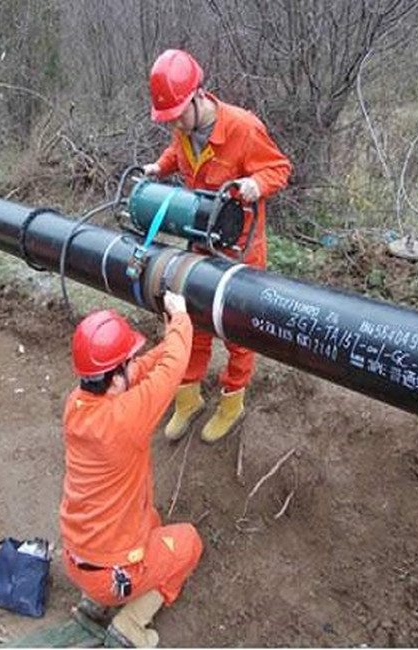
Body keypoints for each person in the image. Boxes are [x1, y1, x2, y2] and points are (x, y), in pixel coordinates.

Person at [143, 48, 293, 444]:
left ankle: (231, 402)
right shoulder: (183, 128)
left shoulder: (242, 128)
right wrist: (160, 167)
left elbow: (279, 168)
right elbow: (179, 153)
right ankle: (188, 398)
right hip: (200, 239)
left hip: (239, 248)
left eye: (177, 113)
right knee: (192, 316)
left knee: (237, 327)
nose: (173, 122)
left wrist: (254, 185)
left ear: (197, 96)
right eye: (169, 117)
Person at [59, 290, 203, 648]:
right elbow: (171, 371)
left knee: (150, 519)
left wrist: (170, 338)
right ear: (115, 374)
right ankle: (130, 627)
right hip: (113, 575)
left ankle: (94, 603)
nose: (131, 365)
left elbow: (139, 371)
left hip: (77, 556)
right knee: (188, 543)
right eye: (127, 360)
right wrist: (181, 319)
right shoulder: (126, 418)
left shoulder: (77, 405)